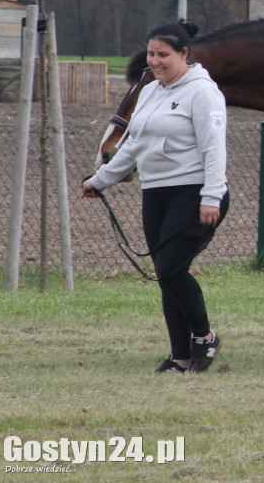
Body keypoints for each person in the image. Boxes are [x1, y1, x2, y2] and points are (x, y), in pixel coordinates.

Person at [81, 19, 229, 374]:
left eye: (163, 54)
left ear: (184, 54)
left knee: (170, 268)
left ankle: (205, 339)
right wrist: (101, 180)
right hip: (156, 193)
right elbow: (133, 145)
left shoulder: (203, 92)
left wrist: (211, 196)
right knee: (166, 275)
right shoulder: (149, 91)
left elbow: (214, 149)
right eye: (151, 53)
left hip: (194, 193)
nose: (155, 61)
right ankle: (179, 356)